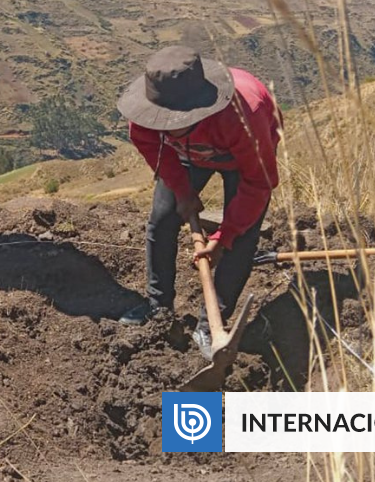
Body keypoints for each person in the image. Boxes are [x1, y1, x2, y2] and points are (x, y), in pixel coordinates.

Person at [114, 46, 280, 358]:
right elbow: (150, 146)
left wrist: (223, 237)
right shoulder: (149, 112)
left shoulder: (245, 115)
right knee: (162, 219)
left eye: (173, 121)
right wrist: (182, 191)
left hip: (242, 159)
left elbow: (258, 183)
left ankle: (211, 324)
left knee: (241, 239)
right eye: (160, 120)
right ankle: (158, 309)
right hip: (188, 155)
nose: (163, 125)